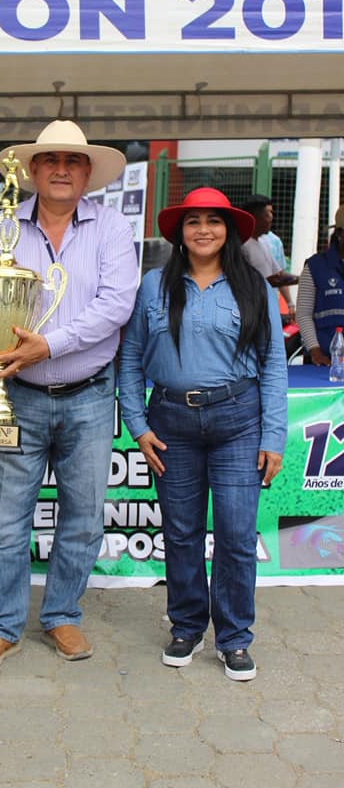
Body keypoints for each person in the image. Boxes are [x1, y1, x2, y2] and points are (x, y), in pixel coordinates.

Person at [0, 119, 139, 671]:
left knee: (83, 517)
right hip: (15, 396)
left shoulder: (111, 227)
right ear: (33, 171)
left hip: (90, 396)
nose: (62, 169)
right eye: (51, 160)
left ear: (88, 172)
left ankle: (62, 614)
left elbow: (117, 304)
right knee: (4, 520)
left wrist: (50, 345)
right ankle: (0, 625)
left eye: (73, 160)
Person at [118, 187, 287, 682]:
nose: (204, 230)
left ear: (229, 231)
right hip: (171, 423)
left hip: (239, 422)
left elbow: (274, 365)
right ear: (180, 232)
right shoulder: (154, 285)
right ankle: (187, 626)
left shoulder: (253, 286)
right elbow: (130, 358)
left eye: (214, 221)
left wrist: (272, 437)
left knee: (236, 533)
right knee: (181, 531)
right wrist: (138, 426)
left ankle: (234, 637)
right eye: (193, 221)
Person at [296, 204, 344, 365]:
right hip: (323, 362)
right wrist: (314, 351)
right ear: (340, 234)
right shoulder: (315, 266)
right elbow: (303, 314)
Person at [241, 196, 298, 321]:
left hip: (267, 310)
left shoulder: (264, 243)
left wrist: (290, 302)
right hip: (249, 312)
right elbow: (273, 279)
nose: (271, 217)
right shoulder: (242, 246)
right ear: (255, 216)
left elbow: (279, 274)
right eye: (269, 213)